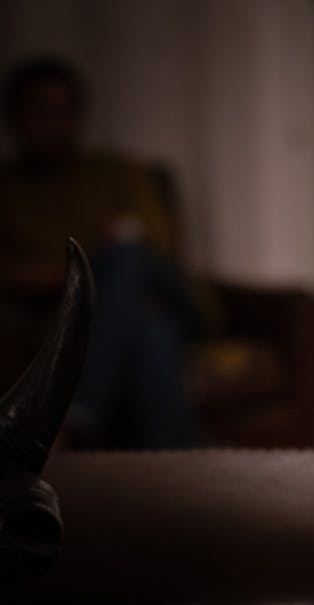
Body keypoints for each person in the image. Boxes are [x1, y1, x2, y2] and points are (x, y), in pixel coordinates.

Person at [0, 55, 199, 447]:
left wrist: (81, 270)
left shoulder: (119, 173)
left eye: (63, 111)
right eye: (40, 111)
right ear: (15, 117)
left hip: (172, 299)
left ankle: (73, 415)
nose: (53, 124)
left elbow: (153, 249)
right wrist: (92, 270)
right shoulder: (7, 190)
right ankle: (190, 464)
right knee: (150, 332)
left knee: (127, 257)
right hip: (85, 317)